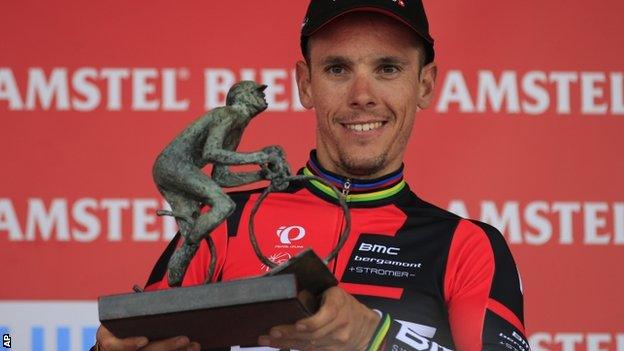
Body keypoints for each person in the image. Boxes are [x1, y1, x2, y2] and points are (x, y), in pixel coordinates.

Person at [95, 1, 528, 351]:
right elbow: (133, 334)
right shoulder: (225, 222)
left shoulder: (466, 247)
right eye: (338, 69)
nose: (362, 96)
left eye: (388, 69)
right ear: (305, 84)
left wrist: (374, 338)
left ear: (426, 85)